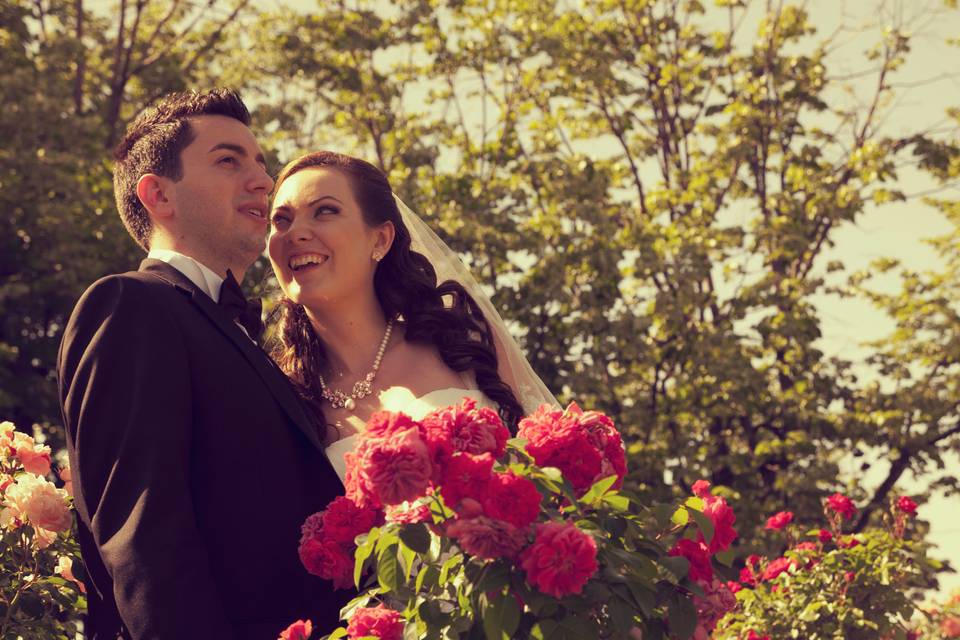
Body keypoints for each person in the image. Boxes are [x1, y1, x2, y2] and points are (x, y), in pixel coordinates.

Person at [58, 91, 348, 639]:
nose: (263, 180)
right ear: (158, 195)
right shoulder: (129, 306)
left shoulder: (244, 333)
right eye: (228, 160)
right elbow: (143, 542)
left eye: (260, 163)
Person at [266, 151, 556, 480]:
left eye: (324, 211)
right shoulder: (283, 400)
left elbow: (559, 484)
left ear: (380, 239)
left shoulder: (464, 342)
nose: (296, 233)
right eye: (281, 220)